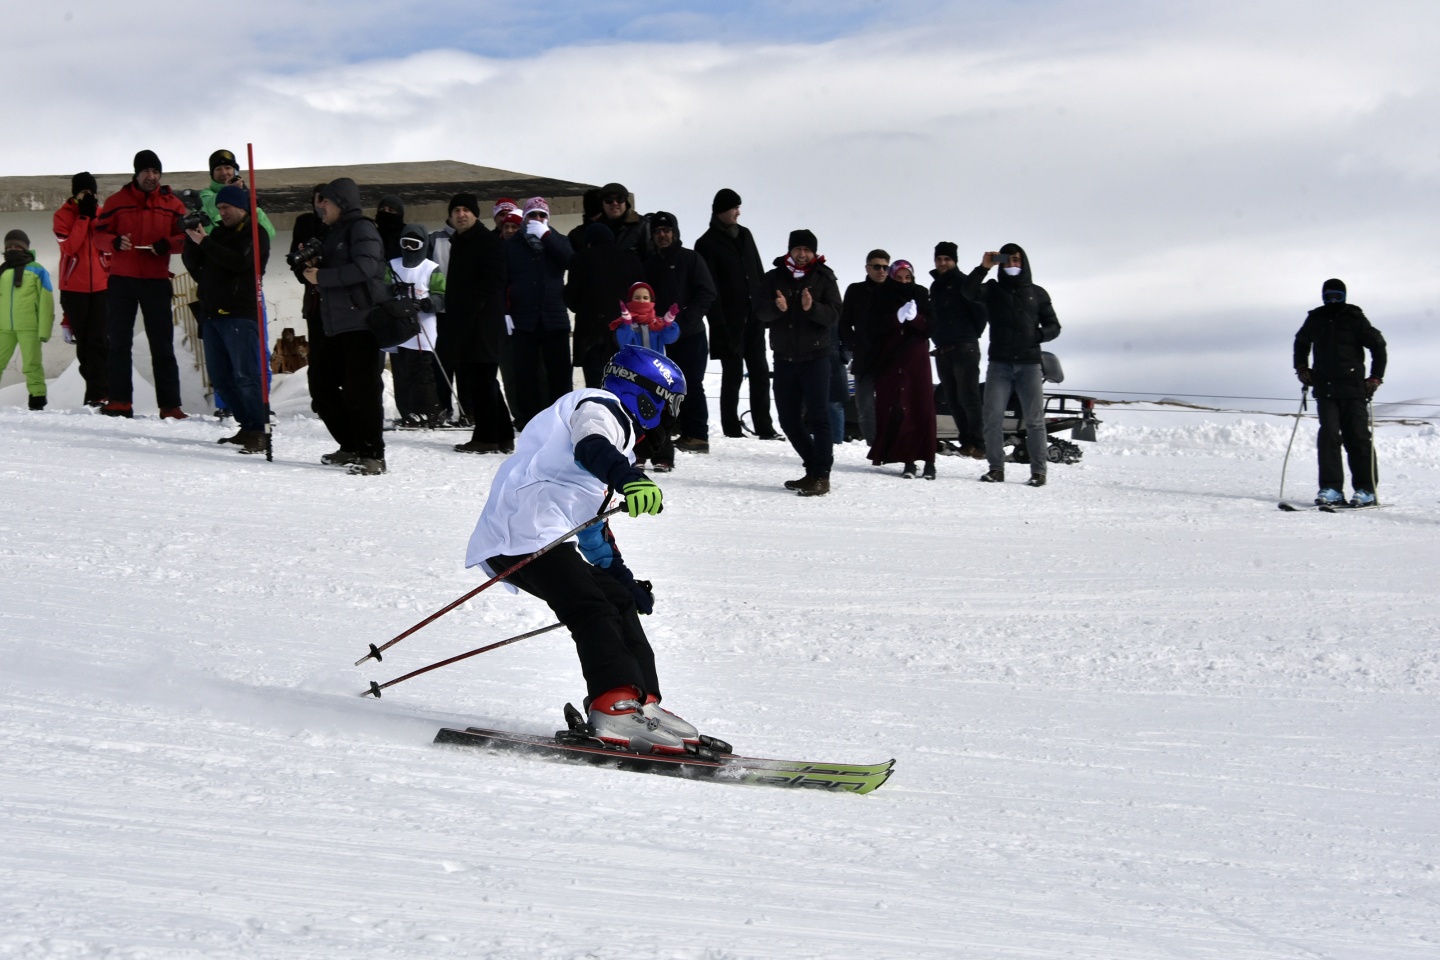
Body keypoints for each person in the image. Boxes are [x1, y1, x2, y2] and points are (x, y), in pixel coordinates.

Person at [464, 344, 698, 755]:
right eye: (670, 406)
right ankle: (614, 704)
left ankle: (642, 702)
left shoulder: (619, 445)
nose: (670, 421)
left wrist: (626, 581)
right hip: (521, 531)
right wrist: (629, 478)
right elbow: (590, 446)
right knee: (590, 605)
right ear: (645, 396)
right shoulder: (598, 407)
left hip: (543, 536)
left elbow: (594, 532)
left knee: (616, 598)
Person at [94, 149, 190, 418]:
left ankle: (171, 406)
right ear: (136, 173)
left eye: (156, 172)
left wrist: (167, 245)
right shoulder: (116, 201)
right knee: (119, 343)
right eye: (147, 171)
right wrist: (113, 243)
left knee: (162, 344)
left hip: (156, 281)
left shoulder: (173, 204)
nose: (152, 176)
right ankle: (119, 402)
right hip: (122, 280)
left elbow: (186, 238)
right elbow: (98, 236)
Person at [303, 177, 388, 475]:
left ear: (341, 201)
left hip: (362, 323)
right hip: (335, 324)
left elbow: (365, 268)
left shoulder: (362, 228)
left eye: (325, 200)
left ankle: (373, 454)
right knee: (322, 386)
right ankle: (352, 445)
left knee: (362, 391)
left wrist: (321, 277)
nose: (320, 206)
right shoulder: (332, 233)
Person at [179, 185, 270, 454]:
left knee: (246, 374)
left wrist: (205, 242)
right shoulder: (218, 233)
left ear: (241, 208)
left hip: (239, 314)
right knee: (221, 377)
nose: (222, 213)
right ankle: (247, 425)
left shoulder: (255, 234)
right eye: (219, 208)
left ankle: (259, 428)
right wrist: (191, 238)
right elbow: (196, 266)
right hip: (212, 314)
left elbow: (241, 262)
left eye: (226, 208)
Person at [962, 243, 1060, 486]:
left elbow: (1053, 326)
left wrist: (1037, 335)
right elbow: (968, 292)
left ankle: (1039, 472)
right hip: (1000, 365)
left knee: (1035, 421)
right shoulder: (993, 290)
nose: (1012, 265)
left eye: (1016, 260)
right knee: (992, 418)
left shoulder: (1037, 293)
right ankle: (996, 469)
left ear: (1023, 263)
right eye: (1006, 261)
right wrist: (983, 267)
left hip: (1029, 365)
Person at [756, 229, 843, 496]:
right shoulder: (774, 277)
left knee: (819, 418)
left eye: (807, 250)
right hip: (784, 359)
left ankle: (821, 476)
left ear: (814, 253)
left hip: (816, 358)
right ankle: (813, 468)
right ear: (790, 250)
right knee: (787, 419)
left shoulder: (825, 277)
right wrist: (776, 308)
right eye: (798, 249)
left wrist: (812, 308)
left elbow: (835, 314)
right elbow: (759, 311)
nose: (802, 254)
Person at [1293, 278, 1387, 507]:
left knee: (1358, 439)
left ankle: (1367, 490)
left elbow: (1378, 345)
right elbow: (1301, 342)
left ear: (1344, 296)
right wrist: (1302, 368)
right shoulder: (1315, 319)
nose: (1332, 300)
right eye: (1328, 296)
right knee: (1329, 438)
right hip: (1325, 389)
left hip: (1354, 390)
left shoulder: (1354, 318)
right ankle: (1332, 488)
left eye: (1337, 296)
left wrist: (1375, 378)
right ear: (1323, 296)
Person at [695, 189, 779, 440]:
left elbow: (758, 272)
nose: (738, 212)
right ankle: (731, 428)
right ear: (721, 210)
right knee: (732, 376)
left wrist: (764, 307)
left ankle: (765, 426)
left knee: (761, 373)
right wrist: (718, 322)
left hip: (753, 316)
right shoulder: (706, 243)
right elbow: (709, 287)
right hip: (728, 322)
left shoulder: (745, 235)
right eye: (734, 208)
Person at [441, 193, 513, 455]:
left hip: (482, 323)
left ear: (475, 213)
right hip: (467, 322)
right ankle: (503, 436)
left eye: (466, 210)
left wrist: (471, 310)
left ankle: (485, 437)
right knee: (484, 382)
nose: (461, 214)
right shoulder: (459, 241)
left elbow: (494, 281)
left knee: (481, 381)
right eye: (456, 210)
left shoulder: (486, 241)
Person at [644, 211, 716, 453]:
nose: (662, 235)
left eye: (666, 230)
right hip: (661, 337)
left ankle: (698, 435)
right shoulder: (652, 263)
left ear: (674, 233)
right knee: (668, 384)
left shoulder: (690, 258)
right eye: (657, 231)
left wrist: (684, 320)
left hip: (690, 334)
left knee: (691, 383)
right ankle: (680, 428)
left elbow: (707, 292)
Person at [862, 260, 937, 479]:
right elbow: (872, 328)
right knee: (897, 406)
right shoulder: (881, 295)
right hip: (890, 358)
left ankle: (929, 460)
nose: (904, 282)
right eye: (899, 278)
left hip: (916, 356)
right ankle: (908, 460)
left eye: (908, 278)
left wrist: (917, 319)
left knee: (921, 404)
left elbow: (932, 326)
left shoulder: (921, 294)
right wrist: (895, 319)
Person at [505, 197, 574, 427]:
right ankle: (529, 420)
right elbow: (502, 281)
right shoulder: (513, 244)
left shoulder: (557, 240)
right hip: (523, 319)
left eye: (541, 215)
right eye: (532, 215)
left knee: (560, 373)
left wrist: (547, 235)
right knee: (526, 374)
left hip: (554, 318)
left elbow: (570, 260)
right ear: (524, 218)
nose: (537, 219)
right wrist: (505, 312)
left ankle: (561, 419)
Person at [52, 171, 110, 407]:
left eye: (92, 193)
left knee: (99, 340)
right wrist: (83, 218)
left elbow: (104, 244)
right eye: (84, 192)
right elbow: (70, 248)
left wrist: (93, 217)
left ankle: (100, 393)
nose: (89, 197)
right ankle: (94, 393)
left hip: (101, 287)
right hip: (74, 289)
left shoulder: (102, 214)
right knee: (85, 344)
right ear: (75, 194)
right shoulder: (62, 216)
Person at [566, 222, 645, 387]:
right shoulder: (630, 260)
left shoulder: (579, 259)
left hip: (590, 336)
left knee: (597, 390)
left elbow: (572, 301)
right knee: (625, 388)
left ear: (589, 241)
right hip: (624, 334)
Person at [611, 282, 679, 471]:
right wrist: (625, 323)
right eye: (637, 298)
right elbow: (622, 342)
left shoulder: (657, 324)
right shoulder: (627, 325)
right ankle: (638, 454)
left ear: (652, 301)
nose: (642, 301)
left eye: (645, 298)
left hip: (657, 378)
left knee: (659, 417)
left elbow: (670, 337)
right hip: (633, 378)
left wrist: (669, 322)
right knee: (634, 416)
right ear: (629, 301)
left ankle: (663, 456)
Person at [386, 223, 446, 428]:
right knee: (402, 372)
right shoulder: (393, 265)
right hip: (398, 328)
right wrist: (392, 291)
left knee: (422, 372)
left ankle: (430, 410)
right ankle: (407, 412)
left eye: (415, 244)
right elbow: (383, 290)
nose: (410, 249)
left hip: (423, 328)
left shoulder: (430, 267)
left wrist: (429, 303)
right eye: (406, 244)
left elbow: (441, 295)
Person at [930, 241, 986, 458]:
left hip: (965, 347)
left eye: (947, 259)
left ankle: (979, 443)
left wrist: (969, 335)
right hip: (943, 349)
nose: (943, 263)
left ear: (954, 261)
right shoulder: (935, 286)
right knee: (952, 398)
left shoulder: (964, 283)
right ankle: (966, 441)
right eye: (939, 259)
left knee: (968, 396)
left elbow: (980, 313)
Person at [839, 249, 890, 446]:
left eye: (885, 267)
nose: (881, 271)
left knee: (892, 405)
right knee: (865, 407)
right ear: (867, 267)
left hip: (889, 357)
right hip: (863, 357)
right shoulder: (856, 290)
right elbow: (844, 323)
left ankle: (890, 446)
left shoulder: (894, 290)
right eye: (877, 266)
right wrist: (853, 344)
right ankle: (874, 446)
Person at [0, 230, 55, 410]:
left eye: (17, 246)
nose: (12, 249)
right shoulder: (2, 271)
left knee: (32, 363)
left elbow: (46, 302)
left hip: (29, 326)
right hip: (3, 327)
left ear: (25, 248)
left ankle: (37, 398)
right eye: (9, 247)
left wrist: (44, 330)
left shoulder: (37, 270)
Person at [198, 149, 275, 240]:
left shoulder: (247, 197)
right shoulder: (206, 195)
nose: (223, 172)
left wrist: (249, 203)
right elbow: (208, 207)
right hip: (216, 250)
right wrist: (229, 191)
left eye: (228, 168)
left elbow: (269, 234)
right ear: (212, 174)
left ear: (235, 171)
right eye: (218, 169)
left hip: (240, 250)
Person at [598, 182, 647, 257]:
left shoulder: (643, 225)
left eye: (620, 199)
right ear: (602, 204)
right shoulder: (595, 228)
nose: (614, 203)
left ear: (626, 203)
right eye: (609, 200)